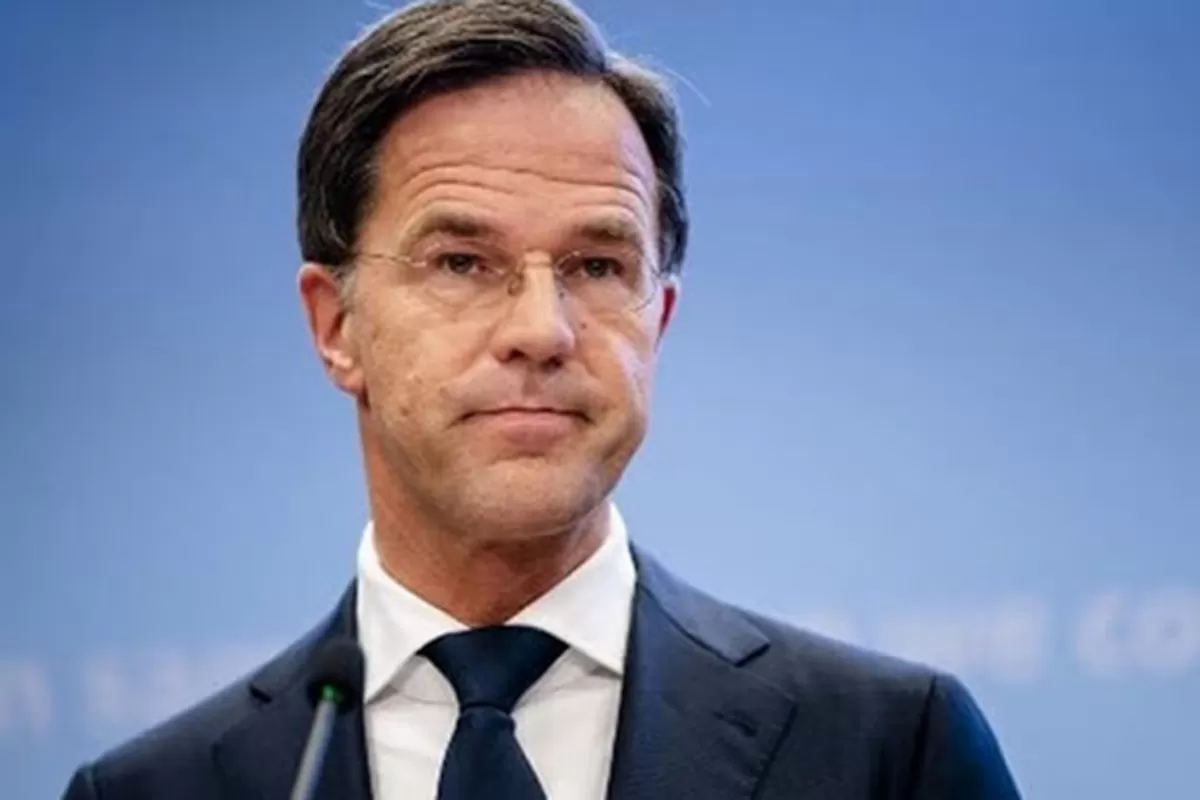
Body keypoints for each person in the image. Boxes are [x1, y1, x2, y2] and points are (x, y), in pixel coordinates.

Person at [62, 0, 1021, 797]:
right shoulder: (155, 790)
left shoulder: (889, 750)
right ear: (336, 325)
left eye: (598, 265)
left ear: (659, 321)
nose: (542, 329)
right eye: (461, 262)